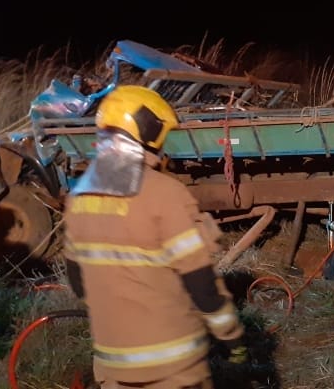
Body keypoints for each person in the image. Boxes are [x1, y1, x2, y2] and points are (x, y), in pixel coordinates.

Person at [62, 85, 245, 388]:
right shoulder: (165, 194)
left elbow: (78, 281)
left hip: (112, 366)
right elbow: (201, 285)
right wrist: (232, 338)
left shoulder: (79, 196)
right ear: (148, 132)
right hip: (174, 369)